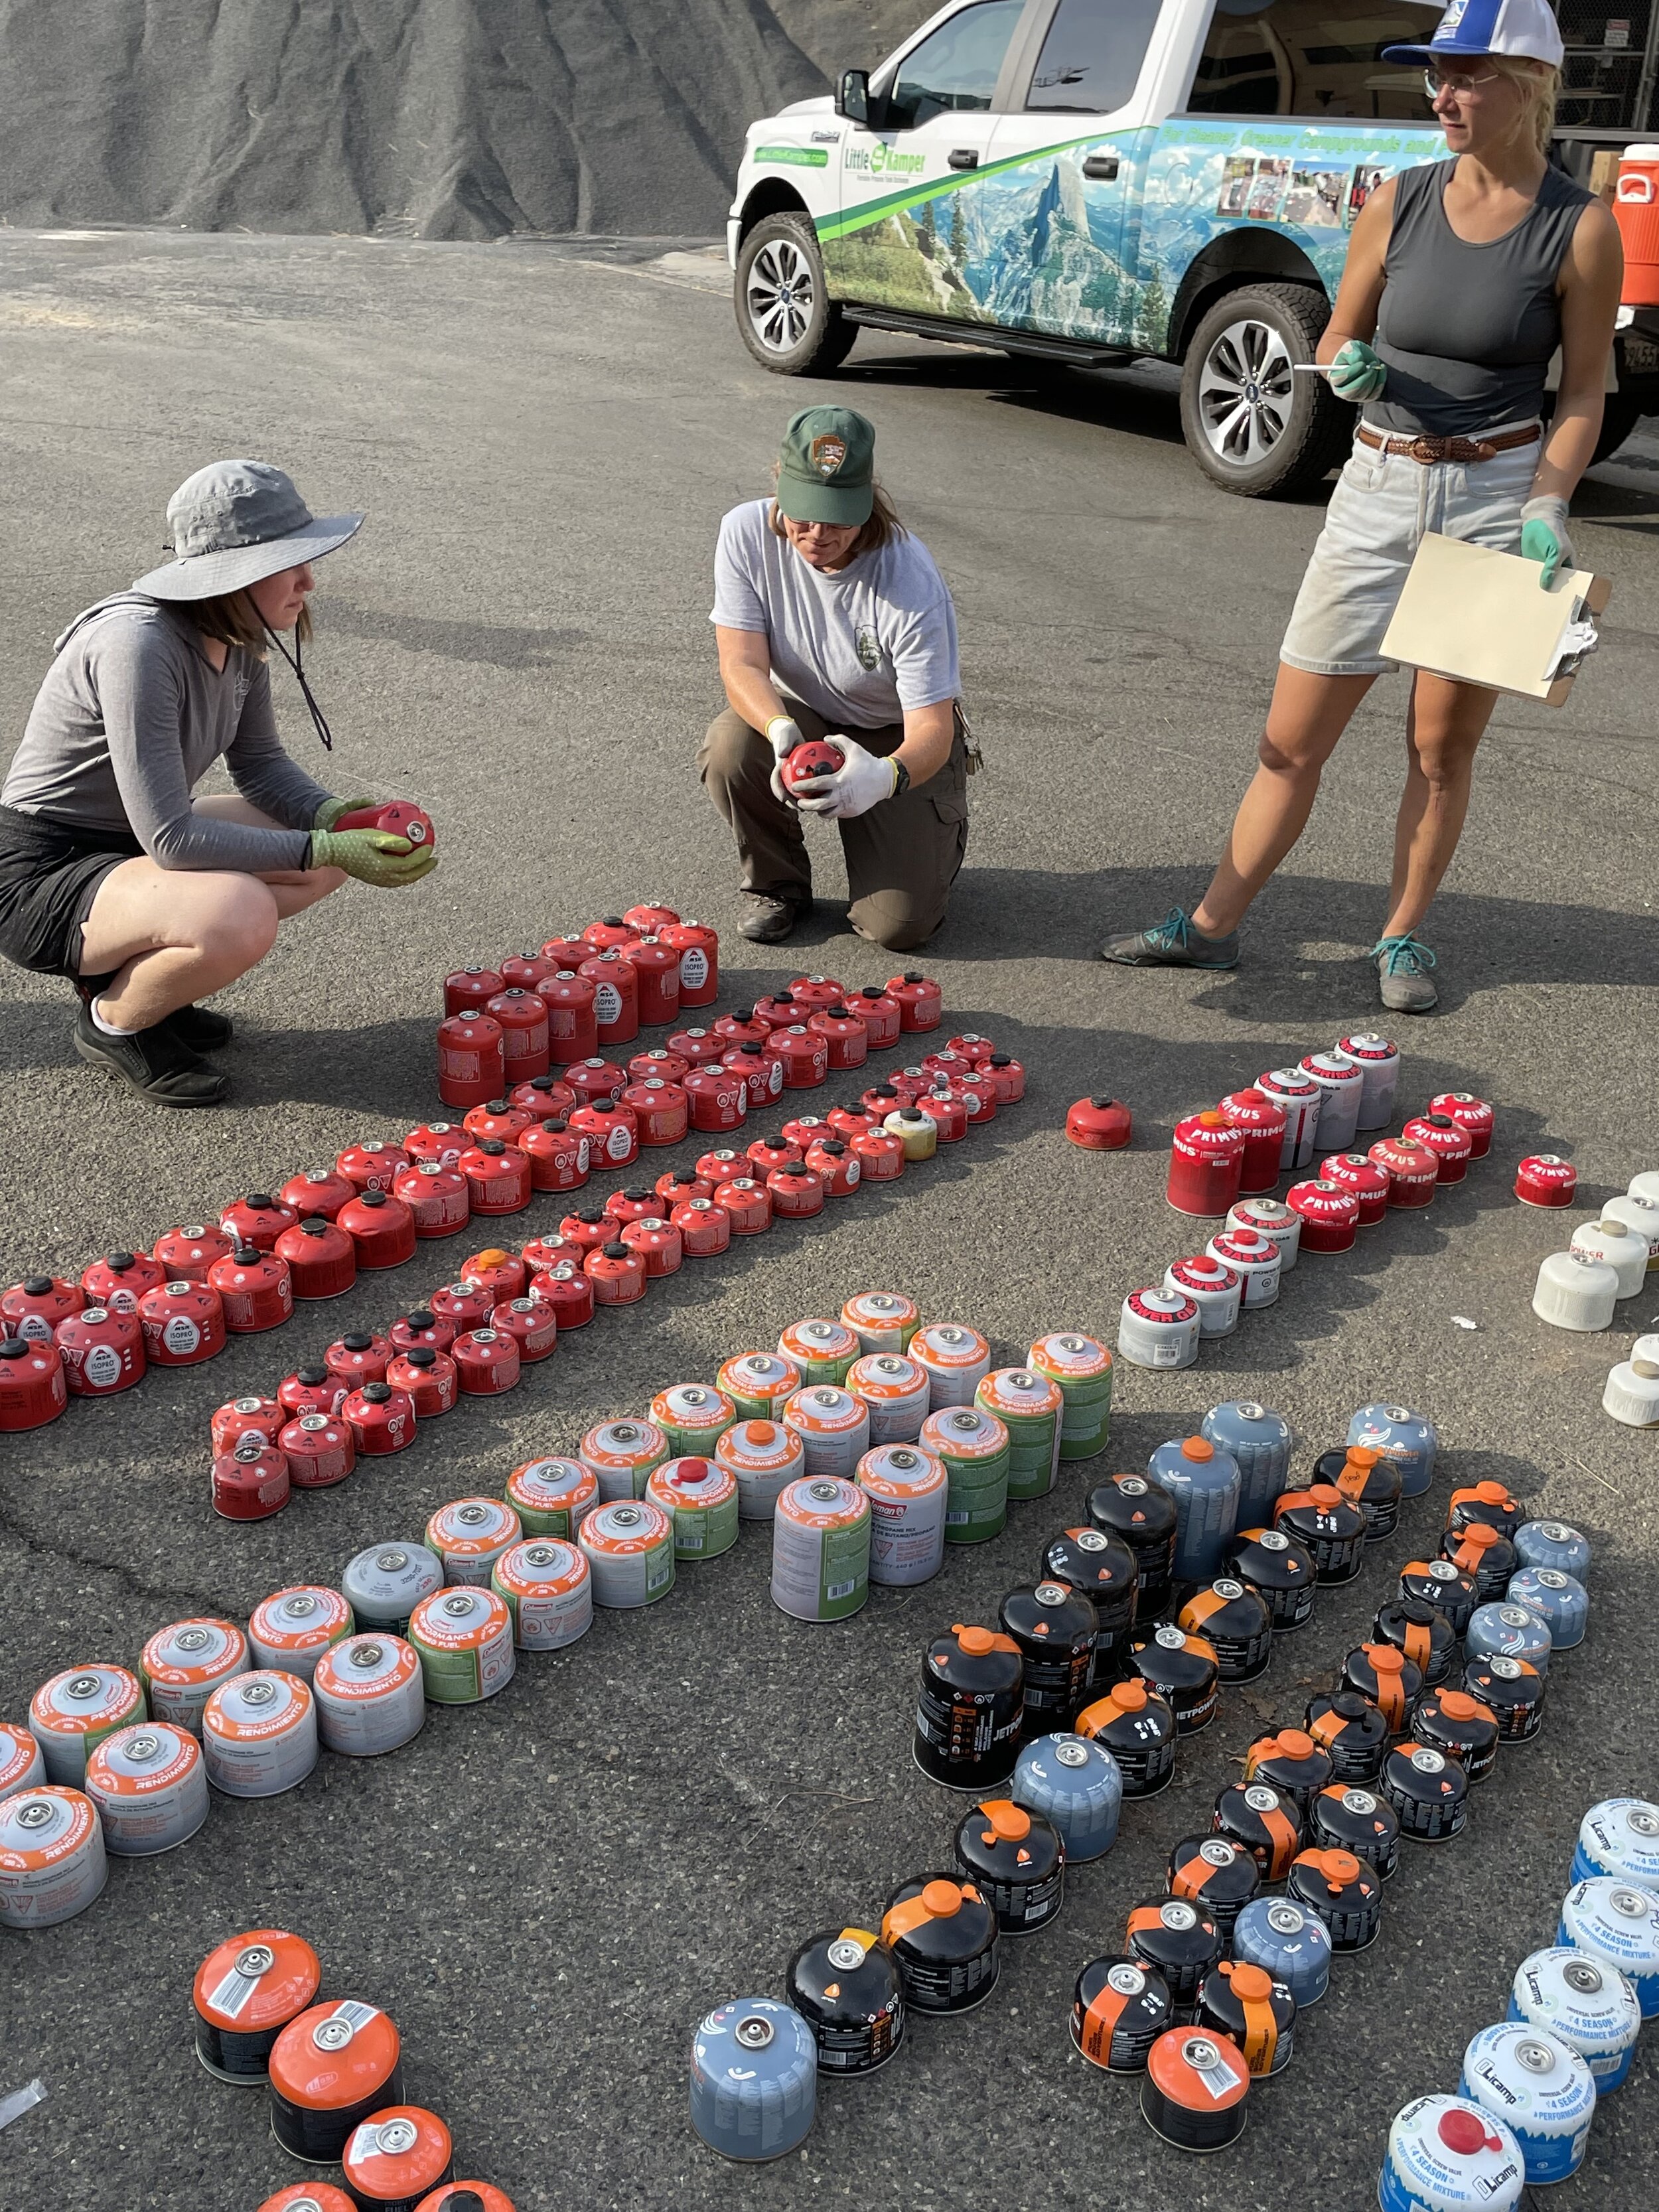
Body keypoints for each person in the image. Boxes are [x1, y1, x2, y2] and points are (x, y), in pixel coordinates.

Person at [1101, 0, 1622, 1012]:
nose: (1444, 93)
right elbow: (1342, 336)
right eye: (1437, 73)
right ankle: (1211, 926)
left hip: (1494, 497)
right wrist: (1348, 369)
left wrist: (1550, 502)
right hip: (1378, 486)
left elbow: (1587, 390)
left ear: (1530, 83)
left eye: (1467, 73)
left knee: (1439, 747)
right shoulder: (1400, 201)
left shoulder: (1579, 227)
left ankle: (1401, 939)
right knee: (1290, 740)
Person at [0, 459, 435, 1105]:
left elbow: (258, 765)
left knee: (321, 844)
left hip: (131, 846)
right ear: (239, 570)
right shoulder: (138, 645)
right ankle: (115, 1021)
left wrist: (333, 816)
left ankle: (147, 981)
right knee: (240, 912)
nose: (310, 579)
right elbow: (174, 839)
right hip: (44, 873)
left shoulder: (237, 638)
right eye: (292, 561)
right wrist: (324, 844)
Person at [699, 406, 971, 948]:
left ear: (867, 500)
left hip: (894, 735)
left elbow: (933, 731)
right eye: (805, 512)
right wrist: (779, 729)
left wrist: (883, 777)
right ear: (780, 483)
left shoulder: (909, 578)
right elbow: (742, 663)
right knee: (731, 745)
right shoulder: (744, 533)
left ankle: (926, 843)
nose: (818, 533)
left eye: (839, 517)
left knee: (899, 927)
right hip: (806, 714)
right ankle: (778, 885)